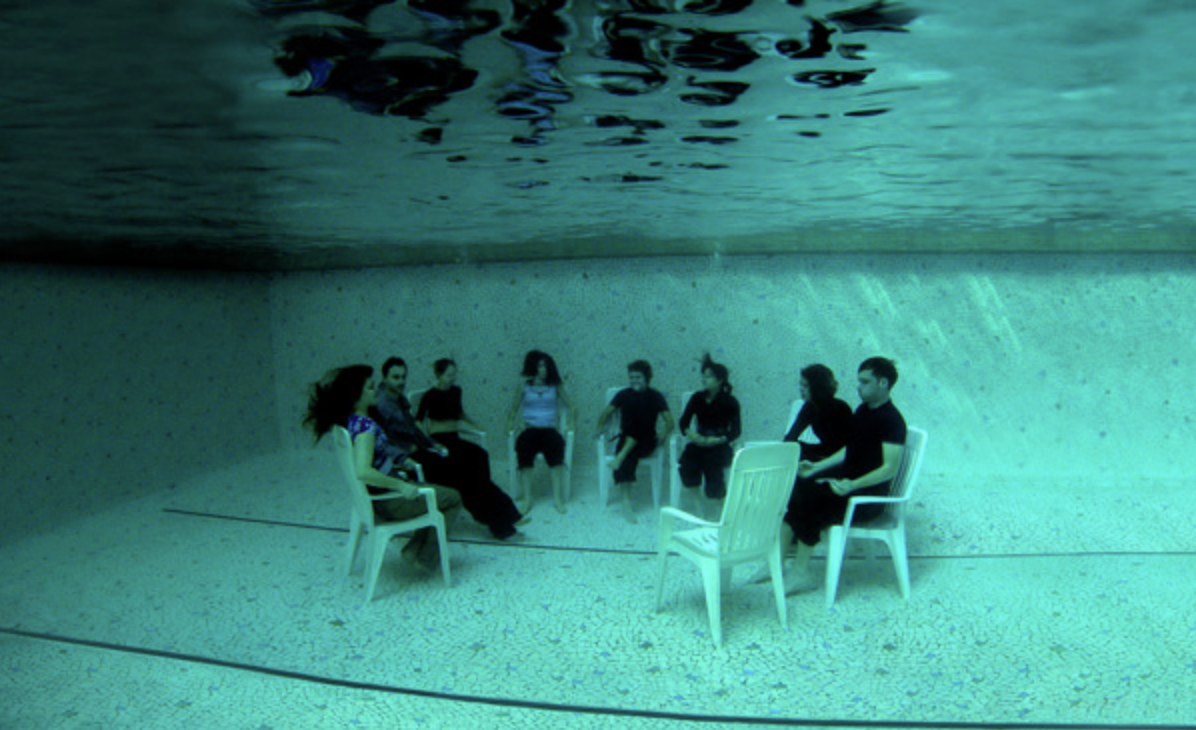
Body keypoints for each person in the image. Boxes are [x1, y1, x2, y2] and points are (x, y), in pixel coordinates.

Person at [303, 364, 461, 569]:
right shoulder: (365, 428)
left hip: (376, 499)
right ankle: (425, 557)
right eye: (370, 387)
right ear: (356, 395)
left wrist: (401, 464)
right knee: (453, 498)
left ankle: (414, 551)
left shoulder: (349, 422)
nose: (375, 390)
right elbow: (363, 471)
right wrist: (400, 486)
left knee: (435, 492)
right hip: (389, 501)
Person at [778, 357, 907, 594]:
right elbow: (849, 449)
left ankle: (800, 573)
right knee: (797, 493)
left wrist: (853, 484)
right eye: (859, 380)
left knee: (811, 502)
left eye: (865, 381)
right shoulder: (863, 411)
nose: (858, 386)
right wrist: (816, 468)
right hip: (848, 487)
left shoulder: (893, 421)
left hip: (868, 499)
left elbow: (889, 468)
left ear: (883, 383)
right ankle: (776, 565)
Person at [376, 357, 524, 540]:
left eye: (403, 377)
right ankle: (502, 522)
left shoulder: (399, 400)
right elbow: (379, 442)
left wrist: (431, 444)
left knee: (472, 472)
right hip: (411, 460)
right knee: (464, 477)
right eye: (395, 377)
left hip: (423, 451)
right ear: (384, 378)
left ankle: (503, 519)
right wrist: (402, 458)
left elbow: (414, 429)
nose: (401, 382)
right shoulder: (381, 405)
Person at [595, 360, 675, 523]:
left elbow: (669, 421)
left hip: (647, 441)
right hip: (626, 441)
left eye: (638, 377)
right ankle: (626, 502)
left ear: (647, 377)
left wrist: (663, 434)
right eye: (631, 377)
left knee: (638, 430)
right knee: (629, 455)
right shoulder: (624, 394)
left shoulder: (655, 396)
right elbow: (606, 412)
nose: (634, 380)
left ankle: (620, 458)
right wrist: (599, 428)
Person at [508, 350, 574, 514]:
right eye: (540, 366)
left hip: (549, 430)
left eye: (546, 366)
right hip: (530, 429)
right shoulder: (523, 386)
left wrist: (572, 423)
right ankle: (527, 499)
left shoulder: (555, 386)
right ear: (533, 367)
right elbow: (513, 409)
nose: (544, 369)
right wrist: (509, 424)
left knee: (556, 449)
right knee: (523, 450)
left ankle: (557, 499)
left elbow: (572, 407)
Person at [677, 353, 741, 511]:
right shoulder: (697, 398)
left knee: (713, 465)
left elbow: (736, 430)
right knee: (687, 462)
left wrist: (719, 440)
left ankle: (719, 506)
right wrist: (692, 435)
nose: (704, 380)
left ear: (720, 380)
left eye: (709, 377)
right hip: (699, 442)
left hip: (718, 445)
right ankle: (698, 505)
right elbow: (683, 422)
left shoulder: (730, 401)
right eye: (703, 376)